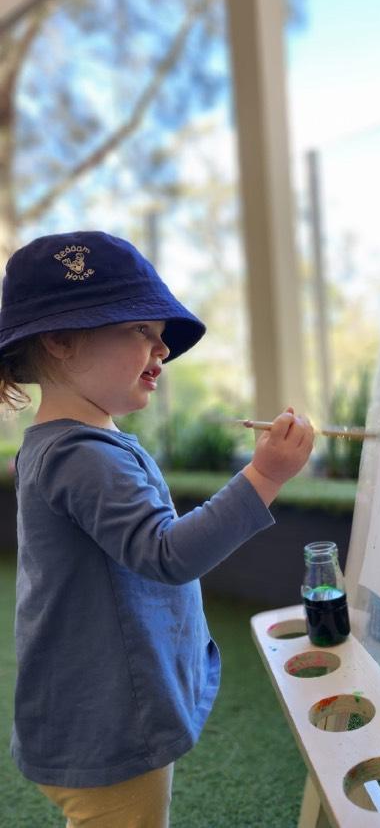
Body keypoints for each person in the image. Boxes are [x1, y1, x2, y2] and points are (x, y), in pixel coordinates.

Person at [0, 231, 314, 827]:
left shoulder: (70, 443)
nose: (163, 348)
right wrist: (266, 475)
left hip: (90, 709)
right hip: (110, 727)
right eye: (141, 329)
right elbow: (168, 553)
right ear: (61, 340)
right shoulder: (81, 455)